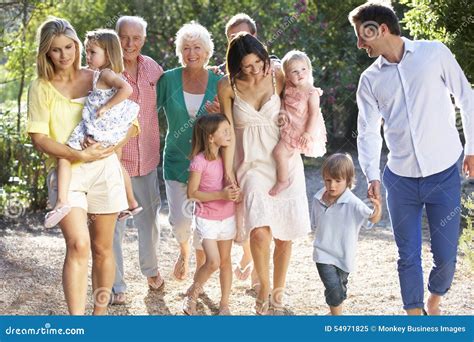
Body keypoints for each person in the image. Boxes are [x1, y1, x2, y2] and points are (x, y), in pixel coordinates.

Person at [349, 2, 474, 315]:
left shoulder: (434, 54)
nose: (359, 43)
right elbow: (367, 132)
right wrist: (372, 175)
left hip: (443, 173)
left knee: (446, 257)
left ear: (382, 29)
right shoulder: (370, 80)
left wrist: (471, 147)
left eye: (363, 35)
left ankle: (434, 299)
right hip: (400, 178)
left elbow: (466, 97)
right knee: (407, 255)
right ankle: (414, 319)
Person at [27, 17, 135, 314]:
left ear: (77, 46)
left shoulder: (98, 75)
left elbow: (131, 122)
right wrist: (78, 155)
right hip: (67, 172)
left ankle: (98, 320)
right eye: (55, 50)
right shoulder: (41, 87)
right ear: (46, 53)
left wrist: (108, 148)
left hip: (105, 169)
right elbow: (39, 137)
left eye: (69, 47)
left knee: (103, 249)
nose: (64, 55)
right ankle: (77, 324)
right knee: (78, 245)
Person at [218, 33, 311, 315]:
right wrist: (228, 171)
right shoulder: (227, 86)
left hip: (285, 160)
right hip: (251, 164)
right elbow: (228, 133)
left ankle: (278, 294)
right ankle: (264, 290)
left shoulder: (278, 75)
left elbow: (303, 99)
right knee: (258, 232)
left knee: (284, 234)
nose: (256, 69)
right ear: (236, 66)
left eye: (258, 62)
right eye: (247, 66)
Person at [43, 29, 141, 229]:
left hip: (98, 125)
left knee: (65, 155)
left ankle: (61, 202)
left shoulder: (105, 73)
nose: (87, 57)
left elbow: (127, 90)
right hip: (102, 127)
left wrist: (106, 106)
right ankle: (130, 203)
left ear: (108, 53)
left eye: (92, 52)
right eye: (87, 52)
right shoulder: (100, 74)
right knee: (115, 162)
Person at [158, 22, 222, 282]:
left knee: (204, 224)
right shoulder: (168, 79)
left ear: (207, 51)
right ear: (179, 51)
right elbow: (146, 113)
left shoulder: (219, 81)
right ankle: (183, 251)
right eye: (186, 48)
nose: (191, 53)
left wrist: (221, 113)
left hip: (208, 163)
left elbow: (231, 122)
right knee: (180, 221)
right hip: (175, 160)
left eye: (197, 47)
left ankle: (198, 275)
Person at [111, 16, 164, 305]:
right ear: (116, 37)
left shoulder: (153, 69)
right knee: (114, 227)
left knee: (150, 222)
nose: (130, 44)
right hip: (116, 163)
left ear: (143, 39)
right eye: (124, 37)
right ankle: (117, 284)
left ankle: (151, 270)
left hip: (147, 160)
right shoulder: (107, 72)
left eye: (136, 38)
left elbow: (174, 99)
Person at [183, 114, 240, 315]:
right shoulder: (199, 161)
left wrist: (233, 192)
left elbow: (231, 186)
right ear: (210, 137)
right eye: (224, 131)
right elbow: (192, 193)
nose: (229, 134)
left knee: (225, 262)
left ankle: (224, 304)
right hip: (207, 218)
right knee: (213, 261)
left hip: (228, 216)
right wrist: (221, 194)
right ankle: (193, 295)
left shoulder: (226, 158)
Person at [311, 153, 381, 315]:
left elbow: (372, 219)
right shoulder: (317, 198)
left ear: (348, 181)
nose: (332, 185)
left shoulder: (353, 203)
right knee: (333, 287)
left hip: (344, 255)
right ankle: (337, 318)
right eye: (328, 180)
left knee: (340, 287)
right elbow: (315, 224)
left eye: (337, 181)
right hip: (322, 253)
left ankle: (335, 308)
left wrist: (377, 208)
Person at [269, 50, 327, 196]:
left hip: (301, 130)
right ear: (287, 75)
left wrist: (308, 133)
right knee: (285, 154)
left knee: (278, 152)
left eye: (303, 69)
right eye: (294, 71)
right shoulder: (288, 88)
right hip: (290, 125)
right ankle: (288, 179)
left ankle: (283, 181)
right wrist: (282, 112)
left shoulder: (312, 93)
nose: (300, 74)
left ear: (309, 70)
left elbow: (314, 114)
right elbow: (284, 102)